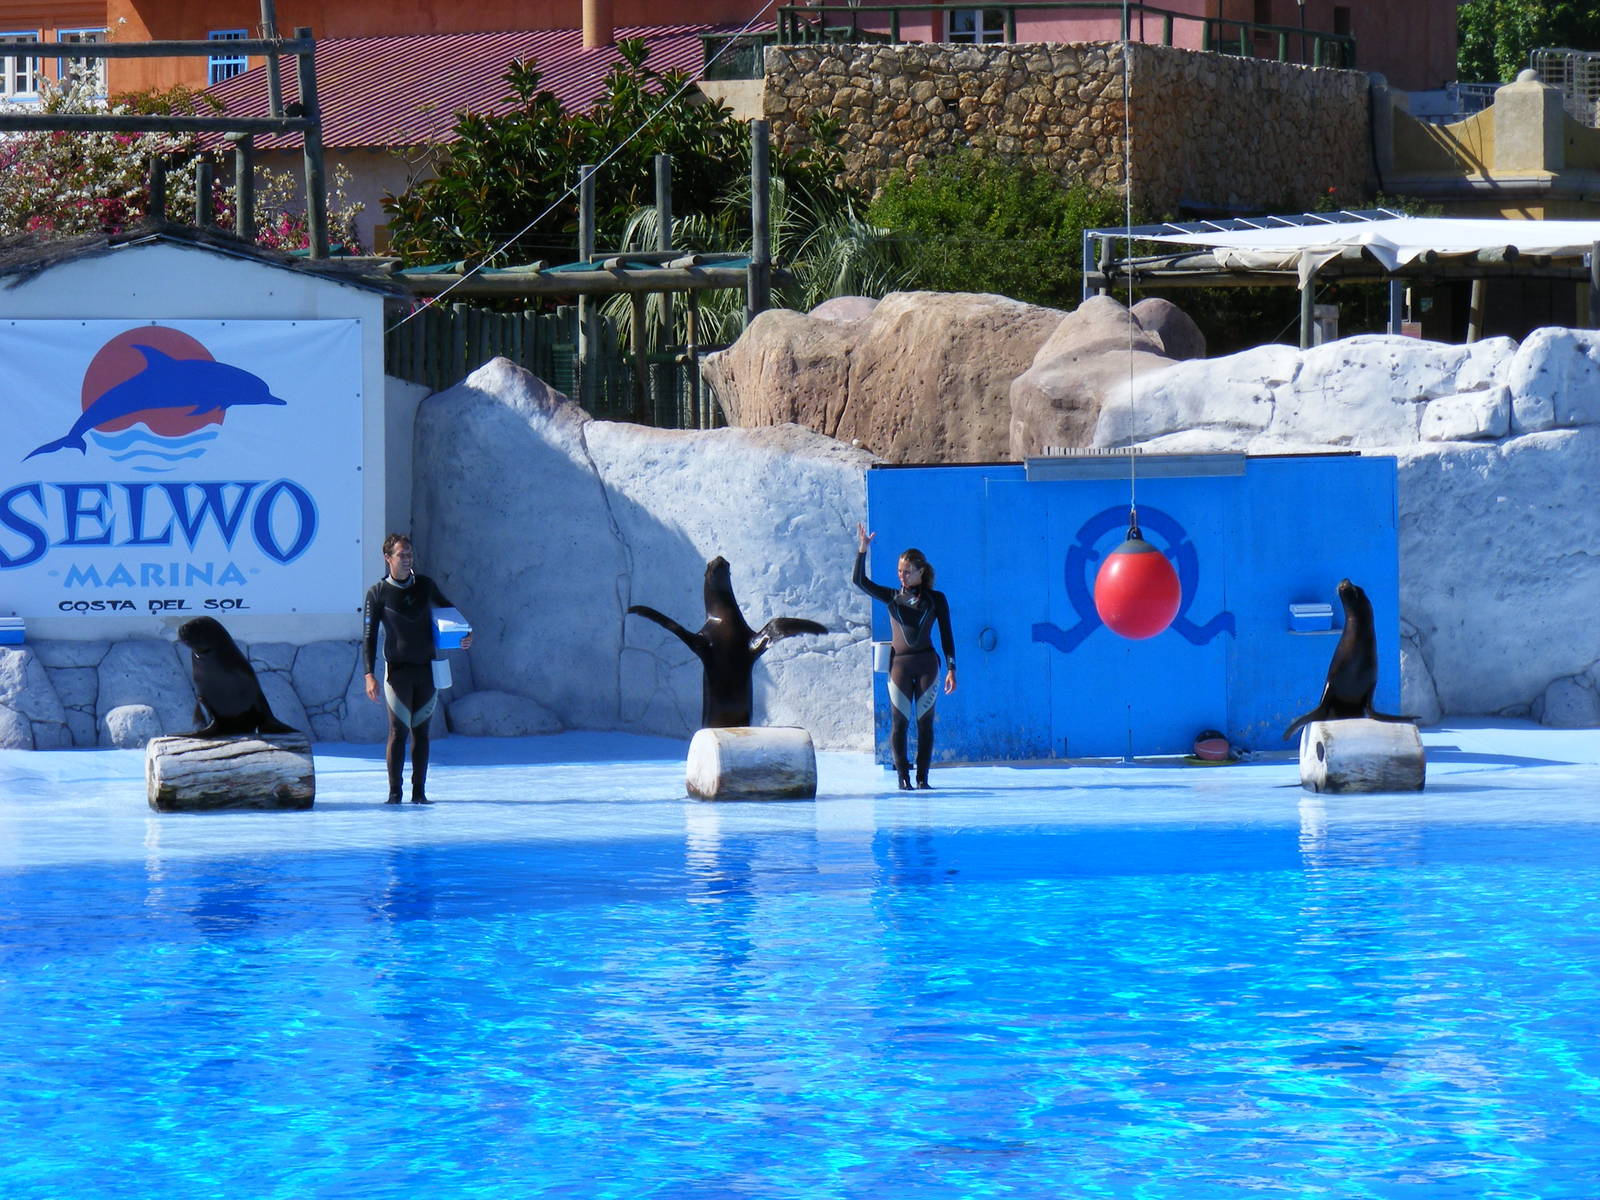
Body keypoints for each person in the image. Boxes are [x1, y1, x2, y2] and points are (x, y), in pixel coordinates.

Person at [363, 534, 471, 805]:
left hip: (426, 669)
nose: (407, 558)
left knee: (422, 733)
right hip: (397, 672)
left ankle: (419, 793)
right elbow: (369, 635)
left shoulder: (424, 585)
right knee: (398, 732)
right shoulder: (377, 593)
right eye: (402, 554)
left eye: (409, 553)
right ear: (388, 558)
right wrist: (369, 675)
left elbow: (449, 612)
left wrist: (463, 634)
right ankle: (394, 793)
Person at [853, 523, 956, 790]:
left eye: (907, 571)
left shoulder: (936, 599)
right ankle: (903, 779)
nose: (902, 576)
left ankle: (923, 779)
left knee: (925, 724)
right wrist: (862, 550)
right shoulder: (891, 597)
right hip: (898, 666)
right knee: (899, 723)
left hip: (927, 666)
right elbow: (859, 581)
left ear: (921, 572)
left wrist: (951, 669)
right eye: (900, 571)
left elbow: (947, 635)